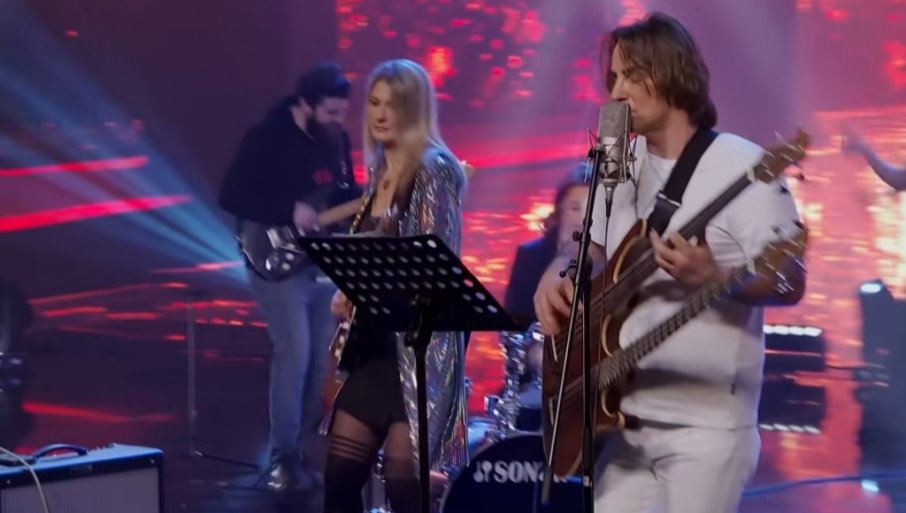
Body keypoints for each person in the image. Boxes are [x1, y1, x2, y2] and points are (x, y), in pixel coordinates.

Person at [533, 12, 806, 513]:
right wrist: (559, 268)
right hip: (623, 420)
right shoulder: (618, 160)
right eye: (612, 77)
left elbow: (791, 280)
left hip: (707, 430)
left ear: (668, 73)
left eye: (629, 76)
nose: (615, 92)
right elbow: (590, 245)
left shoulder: (743, 164)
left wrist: (716, 277)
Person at [324, 59, 469, 513]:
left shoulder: (434, 170)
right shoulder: (380, 172)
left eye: (394, 105)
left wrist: (368, 278)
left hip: (418, 351)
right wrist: (349, 291)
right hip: (375, 348)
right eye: (374, 103)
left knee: (406, 490)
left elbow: (431, 264)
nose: (381, 114)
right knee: (339, 480)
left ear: (415, 110)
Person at [218, 62, 361, 492]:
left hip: (321, 261)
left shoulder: (337, 140)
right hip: (274, 259)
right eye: (331, 112)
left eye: (342, 112)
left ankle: (299, 454)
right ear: (305, 104)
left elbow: (342, 193)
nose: (338, 120)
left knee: (318, 362)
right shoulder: (266, 137)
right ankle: (283, 458)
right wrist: (288, 210)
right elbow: (231, 194)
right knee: (294, 354)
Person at [501, 164, 590, 429]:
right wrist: (534, 353)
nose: (582, 217)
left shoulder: (607, 261)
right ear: (559, 210)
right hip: (533, 380)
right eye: (574, 207)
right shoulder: (530, 256)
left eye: (591, 209)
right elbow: (513, 324)